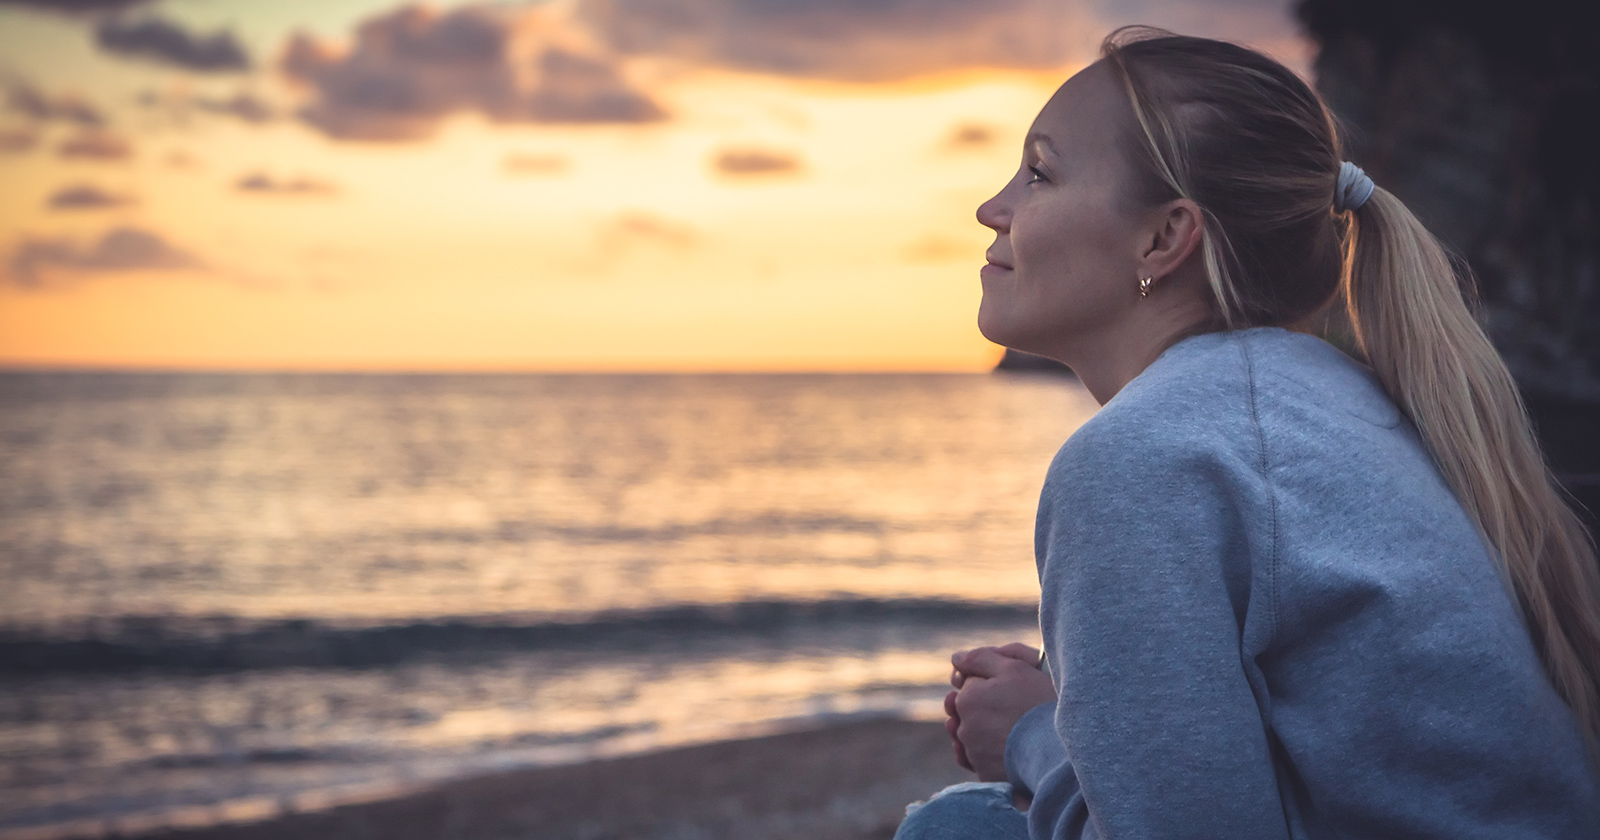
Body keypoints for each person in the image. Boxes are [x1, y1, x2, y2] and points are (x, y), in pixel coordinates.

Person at [894, 27, 1600, 840]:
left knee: (951, 831)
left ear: (1165, 238)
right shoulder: (1334, 399)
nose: (993, 208)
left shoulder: (1141, 459)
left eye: (1040, 173)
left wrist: (1030, 737)